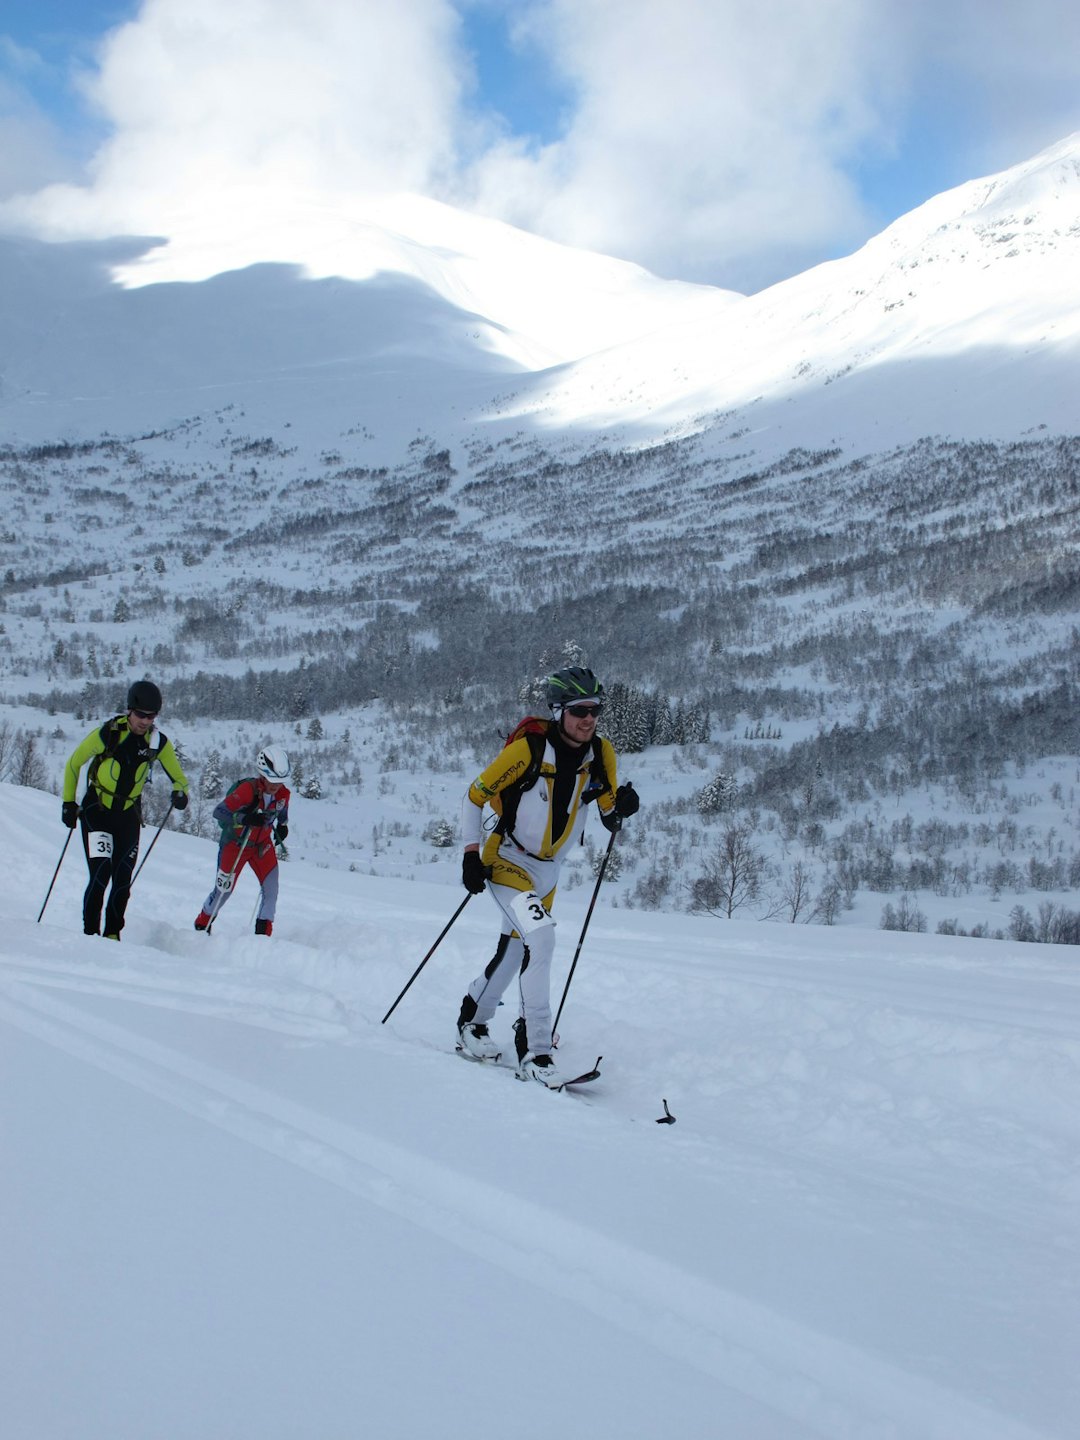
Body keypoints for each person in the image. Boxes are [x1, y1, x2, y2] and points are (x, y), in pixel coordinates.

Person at [456, 666, 640, 1087]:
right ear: (559, 710)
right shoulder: (529, 750)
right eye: (579, 710)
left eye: (595, 709)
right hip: (506, 860)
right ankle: (536, 1050)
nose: (589, 718)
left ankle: (473, 1021)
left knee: (518, 950)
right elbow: (474, 795)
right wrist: (470, 854)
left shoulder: (601, 754)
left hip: (549, 871)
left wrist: (624, 806)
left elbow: (610, 814)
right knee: (541, 938)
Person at [61, 679, 190, 940]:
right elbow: (74, 763)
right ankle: (89, 934)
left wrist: (180, 792)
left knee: (122, 879)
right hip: (96, 811)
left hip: (128, 817)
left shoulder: (157, 744)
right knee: (101, 872)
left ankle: (111, 936)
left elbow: (179, 778)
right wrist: (68, 802)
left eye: (151, 716)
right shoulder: (108, 735)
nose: (145, 721)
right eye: (141, 714)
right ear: (129, 710)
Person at [194, 747, 291, 936]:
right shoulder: (247, 790)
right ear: (262, 775)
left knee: (271, 890)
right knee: (224, 891)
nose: (275, 786)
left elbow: (283, 811)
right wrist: (244, 818)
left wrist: (283, 826)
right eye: (272, 781)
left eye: (279, 781)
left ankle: (263, 936)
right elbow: (219, 812)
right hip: (235, 844)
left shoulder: (283, 793)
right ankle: (202, 925)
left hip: (262, 846)